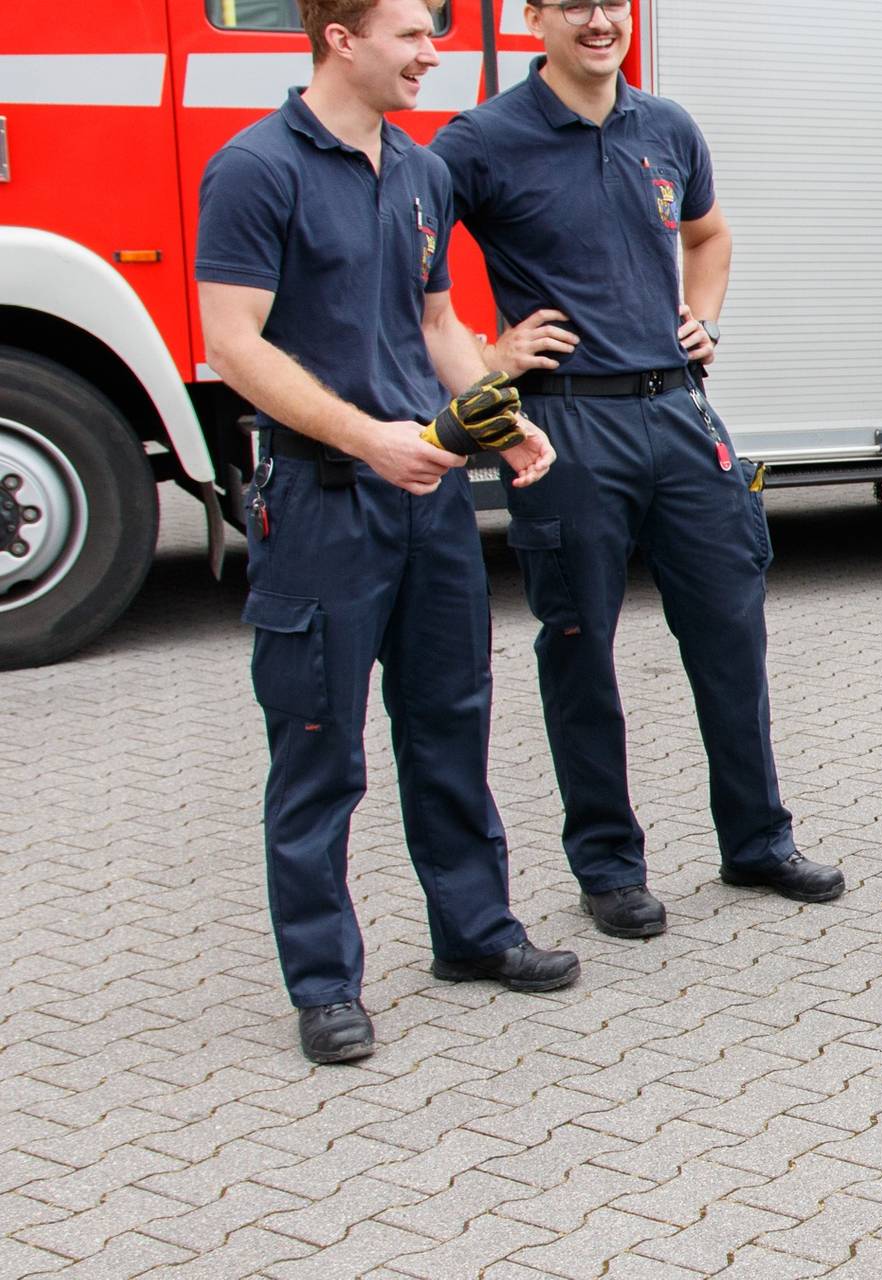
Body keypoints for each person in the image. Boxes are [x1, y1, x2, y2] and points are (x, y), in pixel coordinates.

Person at [196, 0, 576, 1064]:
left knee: (450, 717)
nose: (432, 51)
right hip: (323, 499)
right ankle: (324, 981)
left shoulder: (417, 170)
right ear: (340, 37)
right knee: (319, 742)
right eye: (412, 34)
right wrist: (369, 438)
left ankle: (475, 930)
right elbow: (233, 343)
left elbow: (436, 326)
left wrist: (505, 425)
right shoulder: (254, 167)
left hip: (431, 500)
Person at [429, 0, 844, 941]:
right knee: (581, 650)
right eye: (572, 3)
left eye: (611, 2)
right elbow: (411, 270)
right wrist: (487, 355)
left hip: (678, 414)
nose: (597, 19)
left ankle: (756, 841)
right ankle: (610, 867)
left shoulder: (668, 127)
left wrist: (705, 316)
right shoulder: (480, 141)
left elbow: (710, 236)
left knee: (731, 636)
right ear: (533, 17)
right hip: (569, 423)